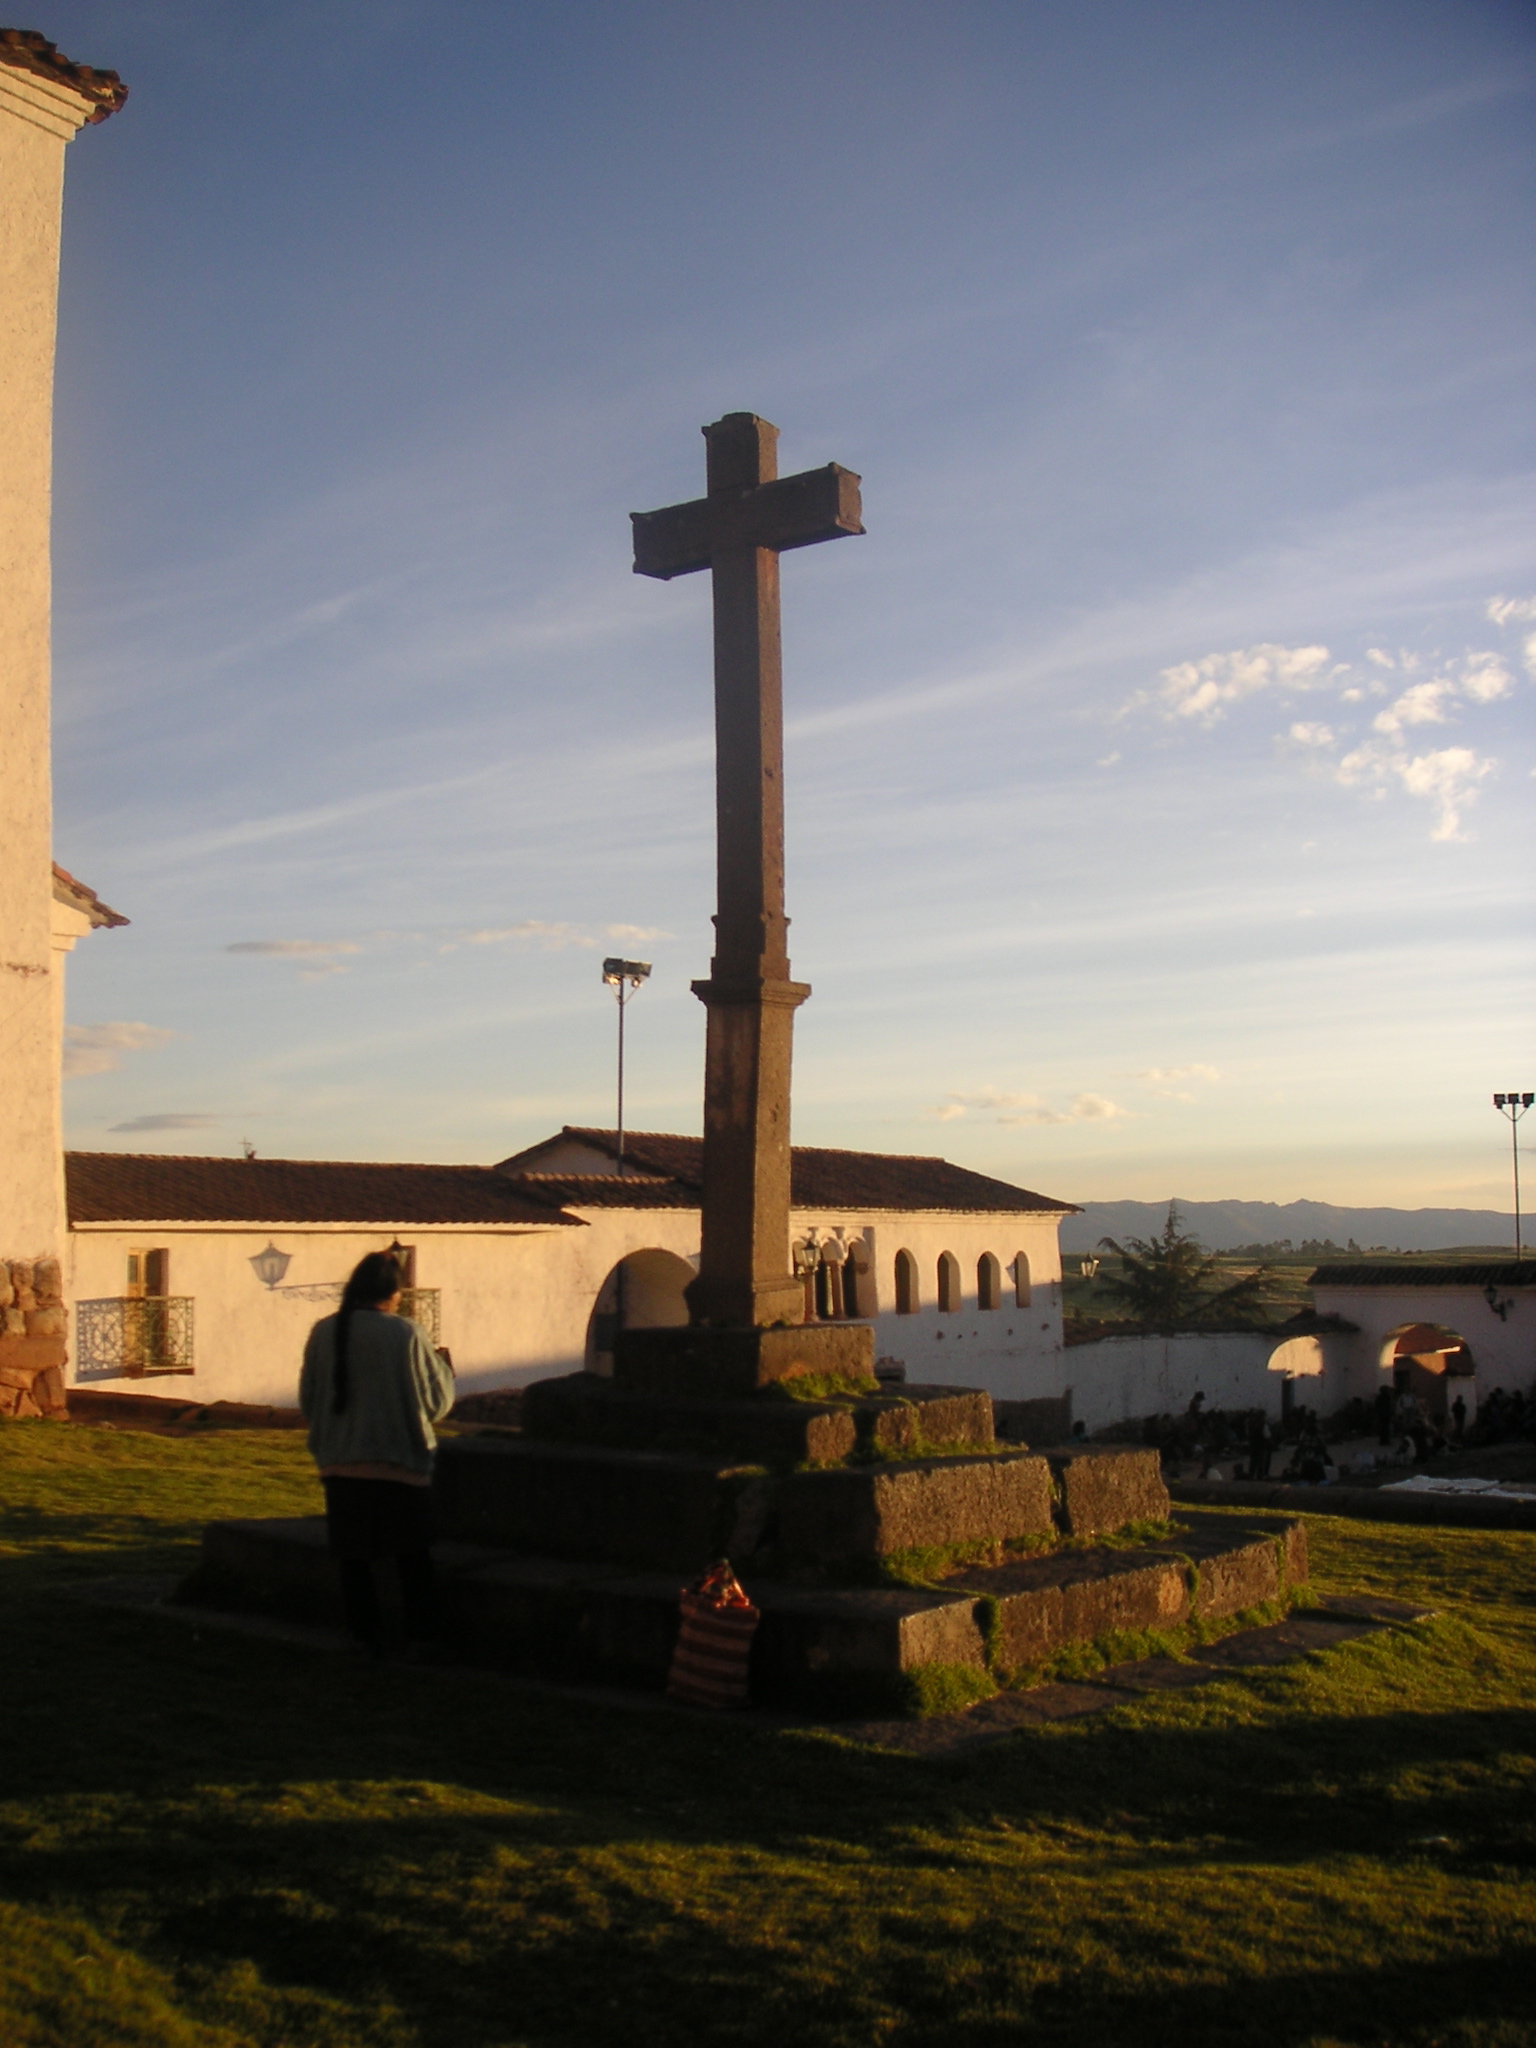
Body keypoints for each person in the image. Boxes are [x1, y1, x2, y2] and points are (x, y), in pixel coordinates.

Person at [299, 1250, 456, 1658]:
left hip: (341, 1461)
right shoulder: (407, 1334)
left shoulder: (324, 1332)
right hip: (401, 1463)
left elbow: (309, 1398)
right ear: (393, 1293)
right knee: (412, 1558)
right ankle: (421, 1637)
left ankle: (364, 1636)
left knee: (354, 1558)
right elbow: (437, 1403)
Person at [1374, 1383, 1393, 1447]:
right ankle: (1385, 1440)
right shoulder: (1387, 1397)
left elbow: (1376, 1406)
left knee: (1383, 1428)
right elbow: (1389, 1406)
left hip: (1381, 1414)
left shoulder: (1379, 1397)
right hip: (1386, 1414)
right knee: (1386, 1428)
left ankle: (1383, 1440)